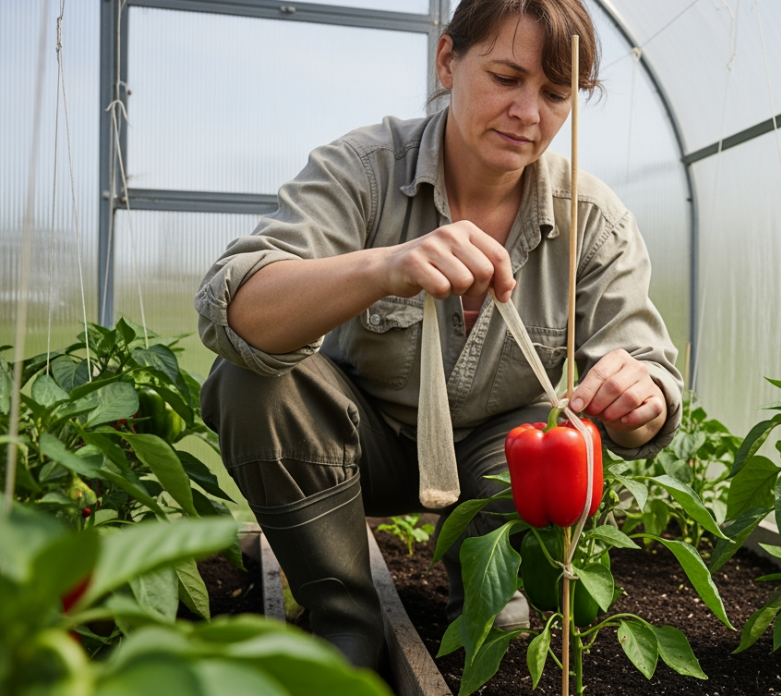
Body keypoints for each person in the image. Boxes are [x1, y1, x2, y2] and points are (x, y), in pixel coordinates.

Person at [194, 0, 682, 672]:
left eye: (554, 94)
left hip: (498, 455)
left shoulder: (592, 220)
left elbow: (646, 372)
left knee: (562, 446)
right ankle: (344, 612)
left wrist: (640, 399)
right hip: (360, 447)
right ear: (448, 61)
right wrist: (385, 267)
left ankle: (489, 596)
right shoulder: (364, 170)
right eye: (506, 78)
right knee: (251, 381)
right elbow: (236, 309)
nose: (528, 113)